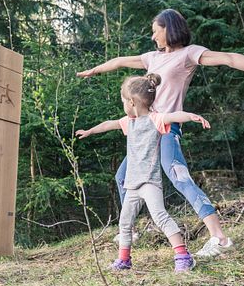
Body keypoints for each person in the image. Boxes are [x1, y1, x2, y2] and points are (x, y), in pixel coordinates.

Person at [77, 9, 244, 257]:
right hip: (145, 132)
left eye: (155, 32)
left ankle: (220, 238)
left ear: (168, 29)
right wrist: (93, 70)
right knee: (122, 177)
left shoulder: (188, 54)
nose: (153, 37)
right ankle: (131, 229)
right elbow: (119, 61)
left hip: (167, 127)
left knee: (179, 177)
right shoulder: (152, 58)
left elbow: (230, 58)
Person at [76, 73, 211, 272]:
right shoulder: (128, 122)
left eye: (123, 102)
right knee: (124, 221)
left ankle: (183, 255)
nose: (123, 106)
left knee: (160, 217)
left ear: (131, 102)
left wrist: (192, 117)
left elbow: (174, 116)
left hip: (149, 183)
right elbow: (108, 124)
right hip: (132, 184)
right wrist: (89, 131)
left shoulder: (155, 119)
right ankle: (124, 260)